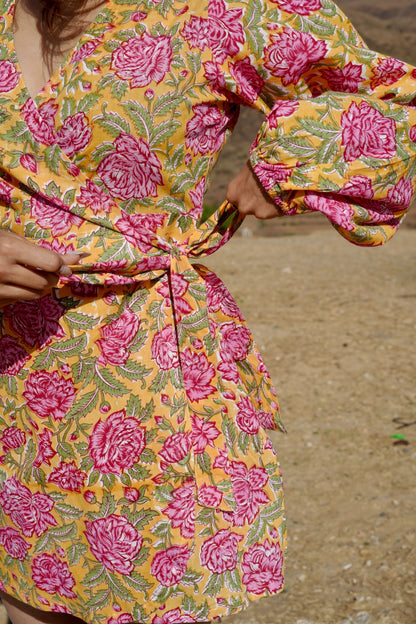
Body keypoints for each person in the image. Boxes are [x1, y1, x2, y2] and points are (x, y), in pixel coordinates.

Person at [0, 1, 415, 624]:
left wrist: (287, 164)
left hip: (144, 385)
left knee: (144, 600)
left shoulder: (214, 7)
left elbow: (397, 98)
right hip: (11, 385)